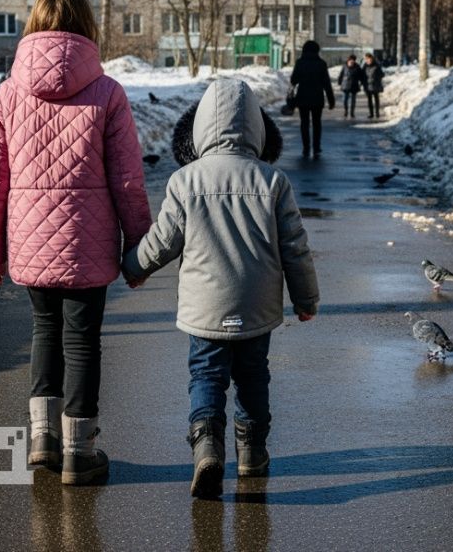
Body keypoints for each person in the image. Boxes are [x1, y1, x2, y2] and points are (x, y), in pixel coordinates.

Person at [0, 0, 152, 486]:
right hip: (88, 248)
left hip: (30, 245)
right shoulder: (108, 93)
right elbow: (128, 181)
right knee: (83, 342)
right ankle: (79, 453)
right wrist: (139, 253)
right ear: (87, 26)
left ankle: (41, 440)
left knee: (44, 332)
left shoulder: (8, 93)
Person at [121, 78, 321, 500]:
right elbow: (295, 248)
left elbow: (162, 242)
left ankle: (207, 446)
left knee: (206, 375)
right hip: (256, 306)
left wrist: (134, 267)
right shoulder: (273, 182)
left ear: (200, 130)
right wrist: (306, 300)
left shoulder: (185, 181)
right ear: (257, 129)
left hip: (205, 307)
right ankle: (251, 454)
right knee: (253, 377)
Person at [287, 40, 335, 159]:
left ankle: (306, 147)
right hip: (317, 99)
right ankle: (317, 147)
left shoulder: (300, 63)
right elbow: (326, 84)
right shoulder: (321, 64)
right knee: (317, 123)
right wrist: (331, 100)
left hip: (302, 98)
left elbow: (293, 80)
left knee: (304, 123)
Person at [336, 54, 368, 119]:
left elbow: (361, 75)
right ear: (348, 60)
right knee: (345, 99)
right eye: (350, 60)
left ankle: (352, 112)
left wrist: (361, 82)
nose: (352, 61)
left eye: (353, 60)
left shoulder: (357, 67)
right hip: (346, 84)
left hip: (354, 85)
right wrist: (339, 81)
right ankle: (346, 110)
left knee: (353, 100)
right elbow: (341, 74)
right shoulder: (344, 66)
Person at [363, 53, 385, 119]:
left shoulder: (376, 65)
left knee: (376, 99)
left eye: (368, 59)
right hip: (368, 85)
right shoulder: (365, 66)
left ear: (371, 59)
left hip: (375, 85)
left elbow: (382, 74)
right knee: (369, 100)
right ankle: (371, 113)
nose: (367, 60)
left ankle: (377, 113)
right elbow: (362, 75)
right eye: (366, 59)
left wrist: (376, 78)